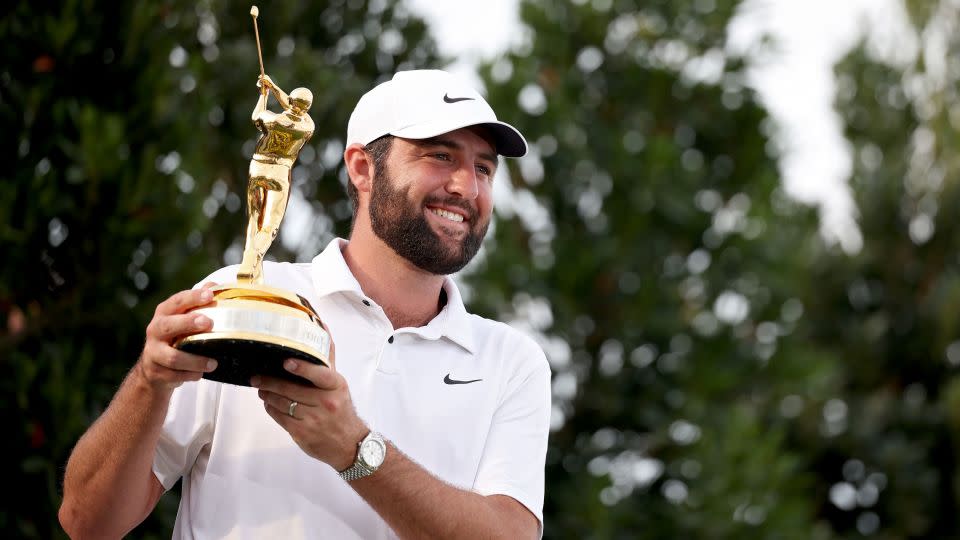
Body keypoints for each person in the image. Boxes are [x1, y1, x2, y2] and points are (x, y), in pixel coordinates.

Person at [58, 69, 552, 539]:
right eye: (440, 156)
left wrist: (354, 449)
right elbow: (87, 524)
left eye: (483, 168)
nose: (467, 186)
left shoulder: (511, 362)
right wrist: (150, 380)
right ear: (362, 168)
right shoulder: (242, 298)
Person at [238, 74, 315, 283]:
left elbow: (257, 116)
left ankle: (250, 258)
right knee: (269, 226)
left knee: (254, 219)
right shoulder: (307, 127)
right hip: (280, 173)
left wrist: (264, 94)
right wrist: (272, 86)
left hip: (258, 167)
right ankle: (255, 256)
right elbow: (292, 105)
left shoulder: (273, 120)